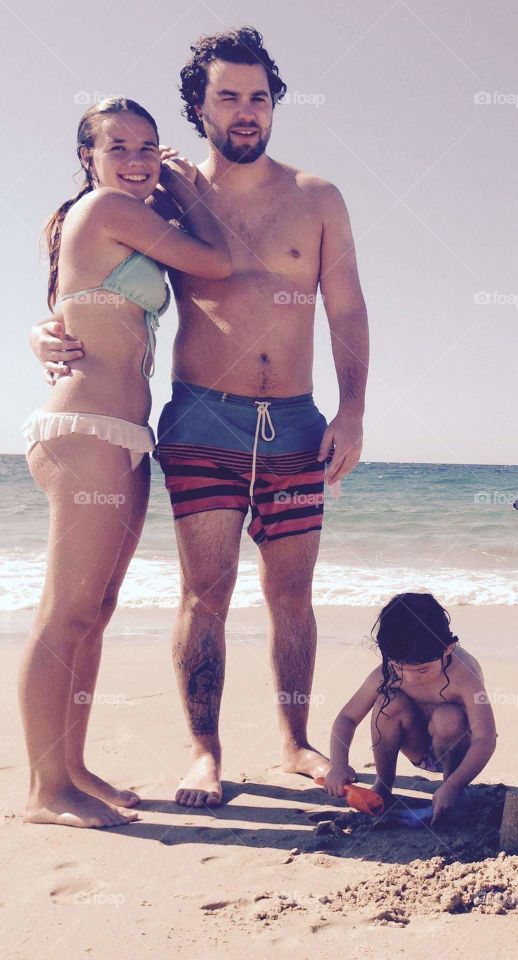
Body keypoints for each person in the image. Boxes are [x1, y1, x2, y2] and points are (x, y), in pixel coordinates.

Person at [30, 27, 369, 809]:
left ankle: (294, 742)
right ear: (200, 107)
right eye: (228, 97)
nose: (246, 112)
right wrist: (43, 330)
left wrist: (351, 411)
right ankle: (204, 754)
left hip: (293, 420)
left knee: (293, 593)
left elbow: (346, 309)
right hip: (201, 419)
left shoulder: (317, 198)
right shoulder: (167, 198)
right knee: (202, 593)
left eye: (259, 96)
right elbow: (90, 275)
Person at [20, 97, 231, 828]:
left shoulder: (112, 220)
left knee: (97, 612)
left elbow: (65, 310)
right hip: (87, 431)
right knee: (67, 612)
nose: (138, 160)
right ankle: (46, 790)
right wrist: (190, 193)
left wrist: (36, 333)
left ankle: (73, 768)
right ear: (90, 157)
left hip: (125, 433)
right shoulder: (111, 207)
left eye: (149, 147)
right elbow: (218, 259)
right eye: (119, 147)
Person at [324, 593, 497, 823]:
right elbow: (347, 717)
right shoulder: (389, 672)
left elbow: (485, 739)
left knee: (448, 716)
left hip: (455, 751)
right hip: (415, 744)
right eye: (398, 666)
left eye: (422, 670)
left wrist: (455, 785)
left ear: (447, 650)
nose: (410, 678)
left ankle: (451, 790)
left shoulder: (464, 675)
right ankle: (384, 784)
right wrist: (338, 765)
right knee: (389, 702)